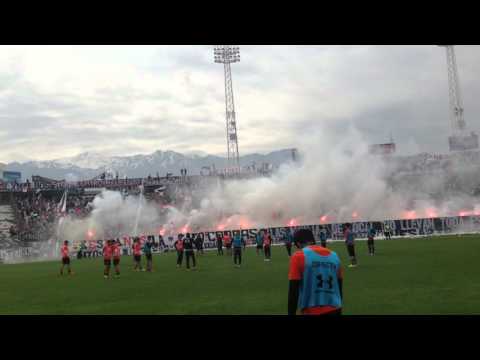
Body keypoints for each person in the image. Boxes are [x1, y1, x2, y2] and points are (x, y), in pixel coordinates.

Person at [288, 229, 343, 315]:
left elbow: (293, 291)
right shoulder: (334, 255)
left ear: (298, 243)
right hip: (336, 308)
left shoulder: (298, 256)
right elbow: (339, 286)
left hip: (312, 309)